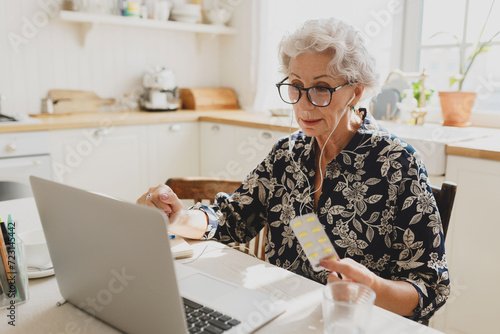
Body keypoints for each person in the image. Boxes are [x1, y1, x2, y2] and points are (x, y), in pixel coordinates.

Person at [137, 17, 450, 324]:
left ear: (355, 92)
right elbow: (232, 219)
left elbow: (431, 288)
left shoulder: (398, 163)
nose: (304, 105)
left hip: (353, 324)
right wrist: (179, 218)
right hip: (278, 315)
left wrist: (375, 289)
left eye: (321, 88)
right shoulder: (288, 153)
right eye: (296, 86)